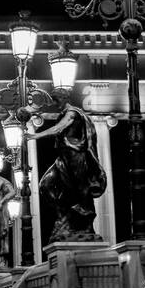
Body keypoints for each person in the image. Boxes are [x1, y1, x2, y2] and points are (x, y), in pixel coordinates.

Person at [31, 98, 108, 242]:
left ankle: (84, 224)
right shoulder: (65, 112)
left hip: (76, 155)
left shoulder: (72, 113)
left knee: (80, 190)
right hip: (63, 156)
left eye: (56, 99)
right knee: (45, 185)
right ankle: (64, 215)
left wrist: (35, 136)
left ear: (65, 98)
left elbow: (58, 128)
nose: (55, 102)